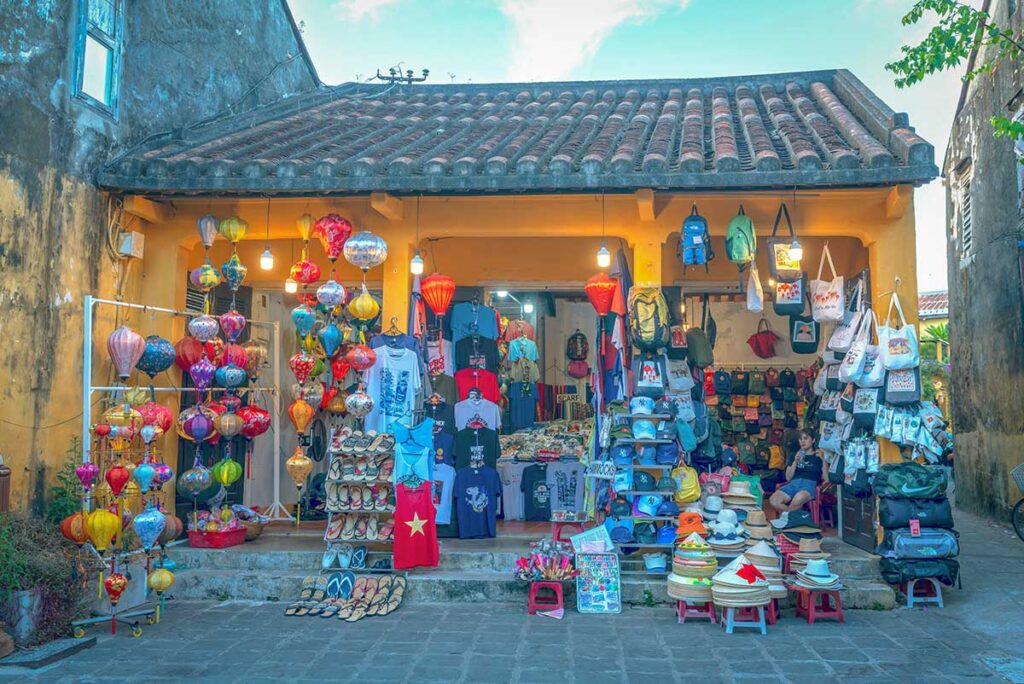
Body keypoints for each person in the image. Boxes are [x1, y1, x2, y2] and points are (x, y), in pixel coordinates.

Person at [768, 430, 828, 513]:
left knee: (798, 498)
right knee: (773, 500)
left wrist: (823, 460)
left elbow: (826, 478)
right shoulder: (794, 455)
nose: (802, 441)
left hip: (809, 485)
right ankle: (791, 518)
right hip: (793, 484)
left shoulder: (818, 456)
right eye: (800, 439)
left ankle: (786, 519)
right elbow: (788, 478)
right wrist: (795, 462)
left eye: (805, 438)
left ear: (813, 440)